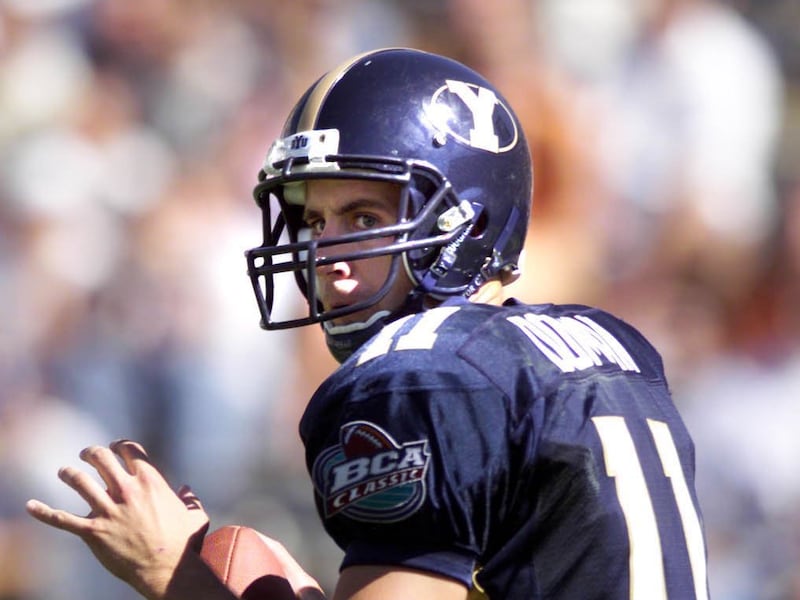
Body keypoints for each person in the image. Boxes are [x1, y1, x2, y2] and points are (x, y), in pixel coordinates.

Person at [26, 48, 710, 599]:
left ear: (466, 222)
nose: (326, 254)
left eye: (363, 217)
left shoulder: (421, 378)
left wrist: (171, 572)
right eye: (314, 220)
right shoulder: (612, 344)